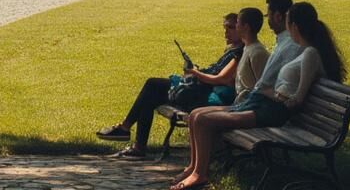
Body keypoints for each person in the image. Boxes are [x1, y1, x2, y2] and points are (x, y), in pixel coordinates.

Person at [170, 0, 344, 190]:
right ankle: (193, 168)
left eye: (287, 22)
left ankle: (199, 174)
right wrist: (269, 92)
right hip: (266, 105)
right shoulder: (306, 51)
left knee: (202, 120)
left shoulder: (310, 53)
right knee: (196, 115)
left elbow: (295, 100)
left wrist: (273, 94)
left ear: (294, 25)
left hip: (273, 111)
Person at [97, 13, 245, 158]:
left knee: (152, 86)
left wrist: (195, 73)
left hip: (208, 97)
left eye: (231, 28)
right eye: (225, 28)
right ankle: (135, 142)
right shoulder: (232, 51)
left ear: (241, 28)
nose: (226, 32)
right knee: (152, 92)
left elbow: (221, 79)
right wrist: (196, 72)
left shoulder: (238, 54)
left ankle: (129, 133)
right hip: (203, 91)